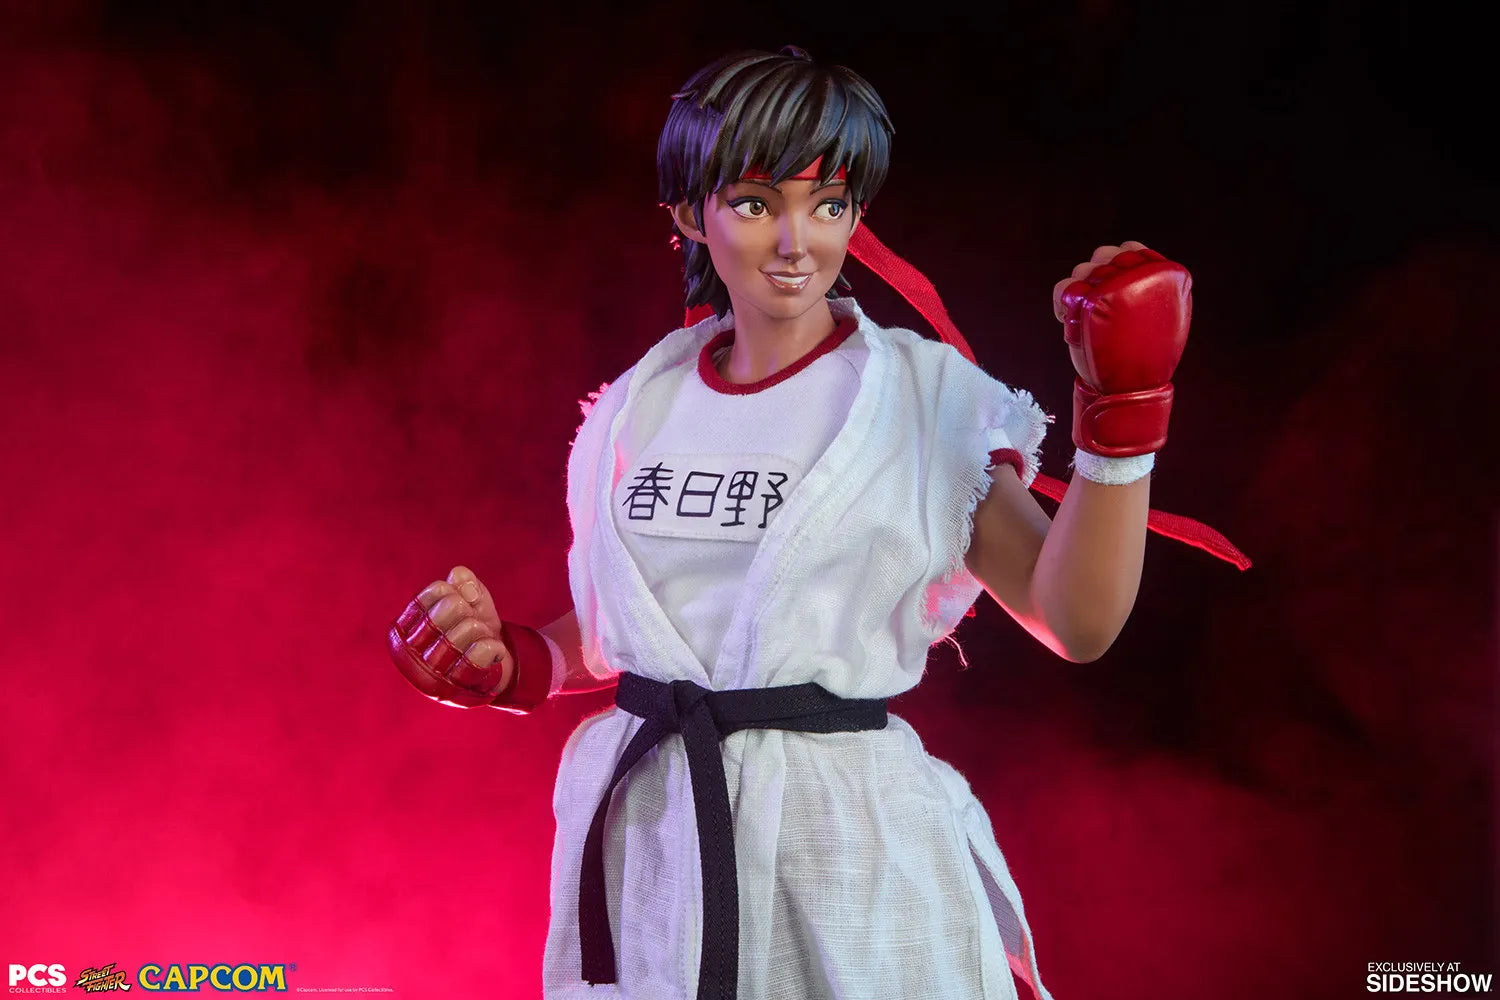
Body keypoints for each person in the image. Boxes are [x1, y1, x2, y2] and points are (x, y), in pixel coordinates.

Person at [388, 45, 1241, 1000]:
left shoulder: (918, 400)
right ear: (690, 214)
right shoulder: (639, 405)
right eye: (757, 203)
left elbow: (1073, 618)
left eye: (828, 204)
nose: (797, 241)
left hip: (848, 857)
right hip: (653, 848)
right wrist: (513, 663)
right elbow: (636, 633)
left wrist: (1120, 421)